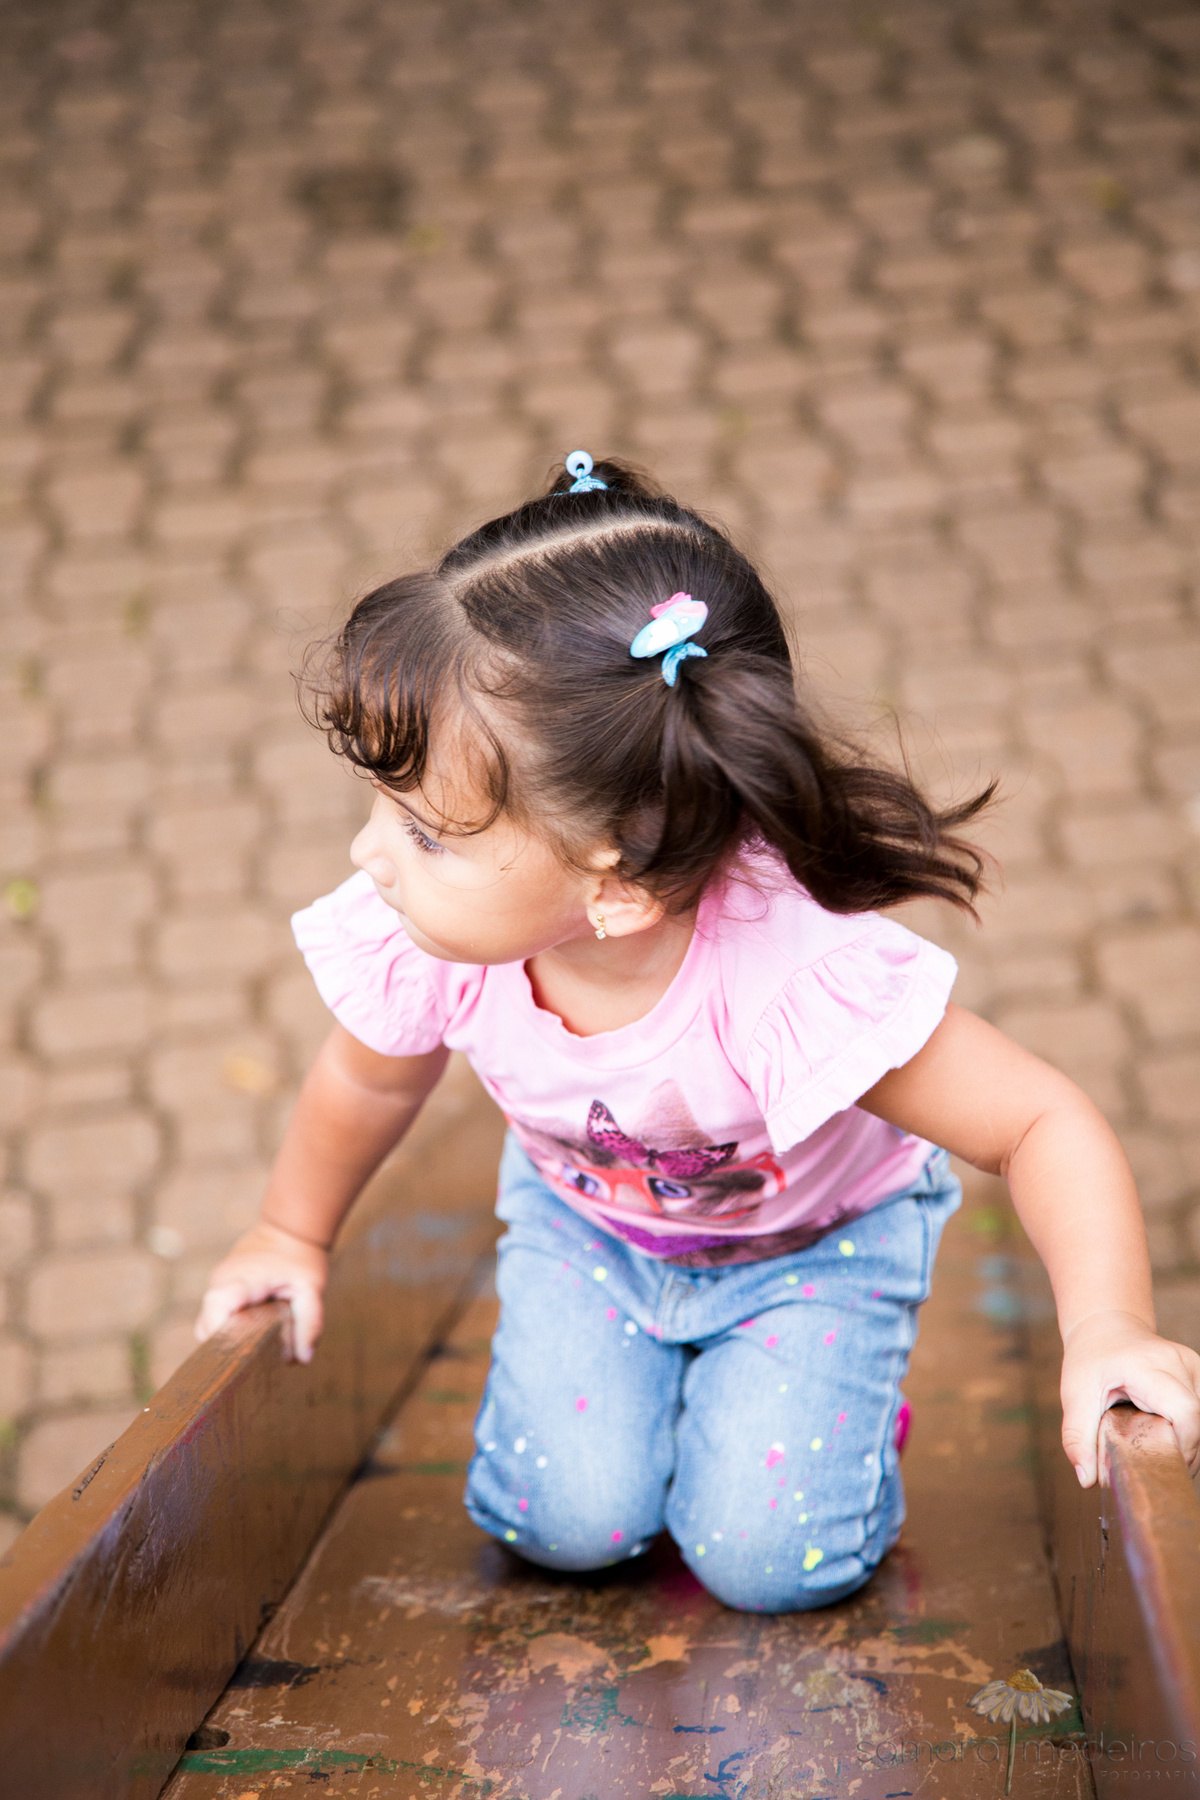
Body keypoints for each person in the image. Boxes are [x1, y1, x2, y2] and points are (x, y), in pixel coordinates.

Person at [196, 452, 1200, 1614]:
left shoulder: (783, 972)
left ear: (613, 890)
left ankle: (834, 1409)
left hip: (810, 1253)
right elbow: (366, 1086)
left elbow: (1038, 1120)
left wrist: (1112, 1327)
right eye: (384, 809)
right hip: (590, 1236)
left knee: (772, 1566)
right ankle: (683, 1405)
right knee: (564, 1525)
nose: (370, 855)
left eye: (425, 833)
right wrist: (287, 1231)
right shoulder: (436, 944)